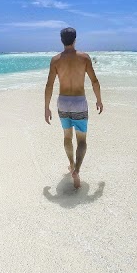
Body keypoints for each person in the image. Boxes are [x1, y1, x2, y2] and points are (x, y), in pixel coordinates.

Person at [44, 27, 103, 189]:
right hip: (79, 102)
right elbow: (94, 81)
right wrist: (99, 100)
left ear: (61, 41)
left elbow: (49, 85)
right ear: (75, 40)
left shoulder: (55, 60)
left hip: (63, 102)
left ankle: (71, 164)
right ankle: (77, 169)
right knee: (82, 140)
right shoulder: (84, 58)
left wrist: (46, 107)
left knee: (67, 137)